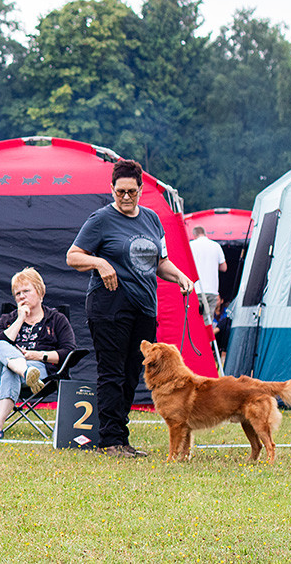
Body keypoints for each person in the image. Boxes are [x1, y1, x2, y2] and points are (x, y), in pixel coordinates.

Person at [66, 159, 193, 459]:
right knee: (112, 373)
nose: (125, 197)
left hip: (144, 307)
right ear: (111, 189)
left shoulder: (151, 219)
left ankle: (122, 439)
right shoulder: (100, 219)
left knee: (132, 374)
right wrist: (99, 262)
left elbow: (160, 263)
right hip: (108, 305)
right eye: (119, 191)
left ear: (141, 189)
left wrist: (181, 277)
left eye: (131, 192)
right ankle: (110, 440)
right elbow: (72, 256)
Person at [0, 267, 76, 440]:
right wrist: (19, 319)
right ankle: (24, 371)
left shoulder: (56, 319)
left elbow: (68, 351)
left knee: (10, 370)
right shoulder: (8, 318)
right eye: (17, 294)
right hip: (8, 366)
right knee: (1, 344)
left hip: (38, 369)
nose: (21, 296)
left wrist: (39, 355)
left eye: (26, 291)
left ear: (40, 292)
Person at [189, 225, 226, 326]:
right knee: (208, 321)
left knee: (193, 319)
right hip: (212, 290)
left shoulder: (190, 245)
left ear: (194, 235)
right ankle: (207, 342)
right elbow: (224, 267)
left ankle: (195, 341)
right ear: (205, 234)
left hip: (195, 289)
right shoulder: (216, 246)